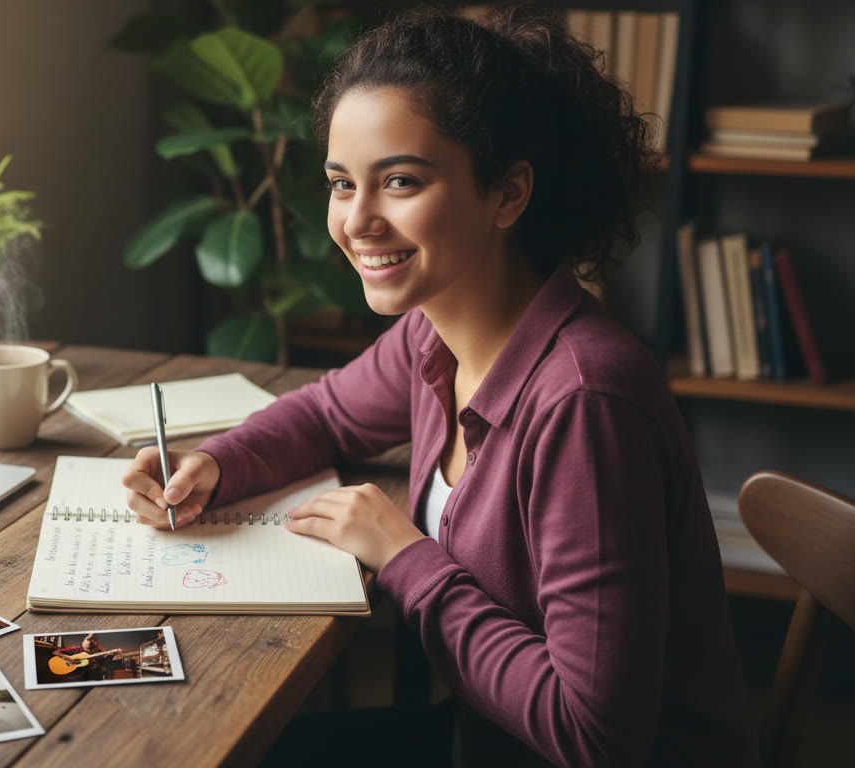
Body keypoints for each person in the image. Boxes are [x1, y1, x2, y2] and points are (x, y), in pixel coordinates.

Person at [121, 7, 758, 767]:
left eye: (399, 181)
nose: (358, 221)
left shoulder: (585, 404)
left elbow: (595, 736)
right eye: (340, 184)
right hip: (481, 740)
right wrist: (216, 464)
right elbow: (327, 413)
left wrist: (405, 557)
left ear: (507, 194)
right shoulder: (438, 330)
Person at [52, 633, 121, 681]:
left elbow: (104, 660)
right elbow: (56, 652)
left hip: (94, 676)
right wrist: (69, 659)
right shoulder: (78, 649)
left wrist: (112, 653)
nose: (85, 649)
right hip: (77, 676)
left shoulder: (97, 652)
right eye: (85, 646)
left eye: (89, 648)